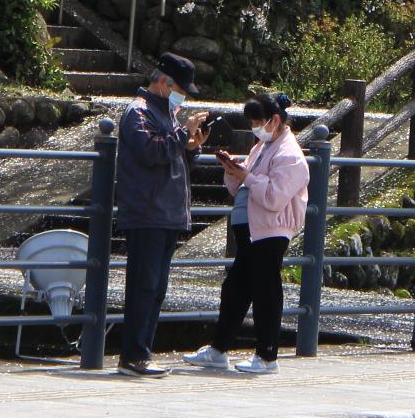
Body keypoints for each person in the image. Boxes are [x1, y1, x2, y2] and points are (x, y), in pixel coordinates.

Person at [185, 91, 310, 376]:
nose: (255, 127)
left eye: (258, 121)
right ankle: (219, 349)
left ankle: (267, 355)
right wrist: (233, 171)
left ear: (274, 120)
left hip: (269, 230)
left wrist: (246, 177)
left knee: (265, 289)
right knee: (236, 289)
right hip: (252, 227)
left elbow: (274, 197)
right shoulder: (262, 147)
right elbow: (242, 188)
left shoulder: (290, 155)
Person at [113, 50, 208, 376]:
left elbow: (172, 158)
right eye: (180, 88)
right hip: (146, 213)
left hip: (166, 215)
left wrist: (191, 147)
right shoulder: (138, 112)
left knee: (156, 289)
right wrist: (183, 135)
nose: (182, 96)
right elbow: (149, 151)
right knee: (144, 286)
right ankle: (133, 357)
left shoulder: (167, 113)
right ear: (165, 82)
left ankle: (142, 353)